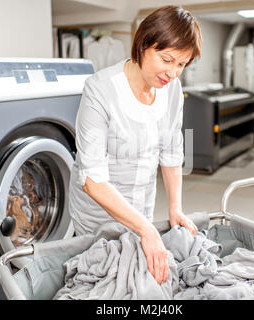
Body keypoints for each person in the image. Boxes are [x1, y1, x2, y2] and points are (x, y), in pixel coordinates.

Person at [68, 5, 202, 286]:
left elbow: (171, 151)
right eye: (166, 59)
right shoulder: (101, 90)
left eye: (181, 64)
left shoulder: (172, 90)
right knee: (98, 279)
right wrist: (147, 230)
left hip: (142, 210)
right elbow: (92, 179)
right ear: (143, 45)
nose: (173, 73)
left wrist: (175, 208)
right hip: (96, 219)